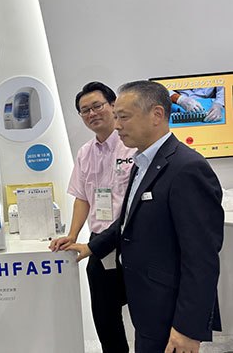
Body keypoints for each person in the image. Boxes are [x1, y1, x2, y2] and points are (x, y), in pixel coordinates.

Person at [68, 80, 224, 353]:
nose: (117, 125)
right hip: (148, 305)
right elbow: (128, 221)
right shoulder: (143, 164)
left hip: (169, 307)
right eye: (117, 117)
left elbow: (201, 259)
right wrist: (90, 246)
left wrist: (189, 328)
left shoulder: (187, 168)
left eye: (123, 116)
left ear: (157, 114)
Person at [49, 81, 134, 353]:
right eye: (85, 110)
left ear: (113, 105)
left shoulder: (133, 147)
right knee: (105, 318)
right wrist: (72, 235)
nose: (92, 114)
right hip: (99, 244)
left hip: (134, 239)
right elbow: (82, 198)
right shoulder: (85, 152)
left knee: (147, 316)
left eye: (97, 106)